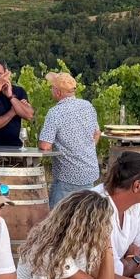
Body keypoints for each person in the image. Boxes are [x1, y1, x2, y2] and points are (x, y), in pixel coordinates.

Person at [14, 188, 116, 279]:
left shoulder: (78, 244)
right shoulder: (51, 251)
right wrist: (107, 244)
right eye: (103, 224)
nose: (105, 228)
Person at [91, 152, 140, 279]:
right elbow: (113, 272)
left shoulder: (135, 207)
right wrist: (135, 260)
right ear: (137, 186)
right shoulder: (95, 207)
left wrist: (128, 263)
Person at [37, 72, 101, 207]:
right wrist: (85, 150)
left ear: (58, 92)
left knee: (58, 220)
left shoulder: (55, 112)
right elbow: (97, 134)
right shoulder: (87, 106)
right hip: (89, 172)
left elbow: (45, 146)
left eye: (52, 87)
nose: (50, 90)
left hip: (67, 175)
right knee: (83, 217)